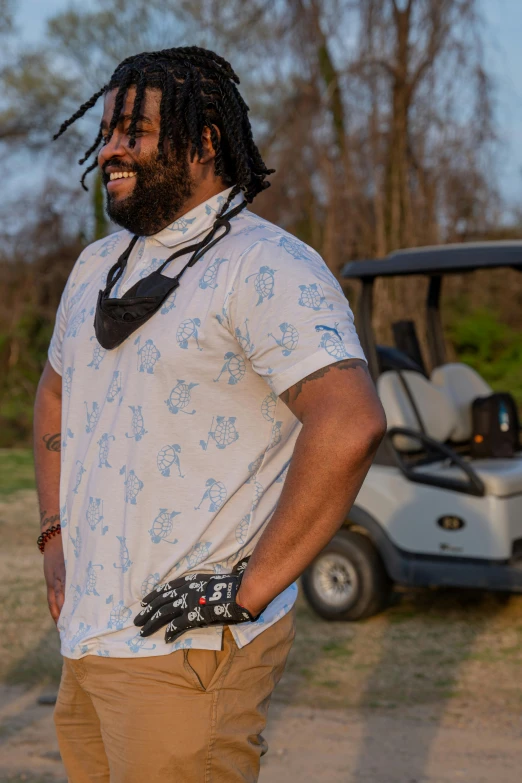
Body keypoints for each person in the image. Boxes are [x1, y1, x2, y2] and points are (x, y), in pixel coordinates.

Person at [33, 45, 386, 783]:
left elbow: (348, 422)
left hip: (187, 655)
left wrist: (250, 588)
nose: (111, 150)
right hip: (89, 644)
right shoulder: (98, 265)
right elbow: (56, 394)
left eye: (134, 131)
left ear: (204, 140)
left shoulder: (264, 266)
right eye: (106, 132)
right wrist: (55, 533)